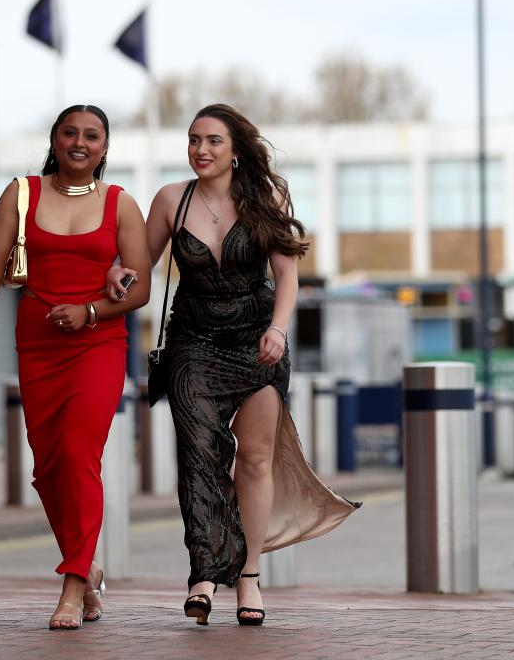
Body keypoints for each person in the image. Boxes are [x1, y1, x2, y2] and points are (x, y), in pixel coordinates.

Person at [107, 104, 358, 626]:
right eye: (194, 140)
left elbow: (287, 276)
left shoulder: (268, 196)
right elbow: (140, 264)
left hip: (257, 341)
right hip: (193, 342)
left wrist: (278, 330)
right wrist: (118, 273)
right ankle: (203, 572)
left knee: (255, 460)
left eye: (213, 141)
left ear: (236, 149)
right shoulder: (171, 201)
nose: (201, 150)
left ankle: (247, 577)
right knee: (200, 455)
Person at [0, 104, 151, 630]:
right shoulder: (20, 194)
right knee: (48, 468)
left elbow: (141, 290)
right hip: (38, 344)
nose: (80, 142)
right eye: (70, 132)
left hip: (98, 343)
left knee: (77, 451)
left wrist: (92, 308)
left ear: (105, 147)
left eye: (92, 135)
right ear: (55, 138)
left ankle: (72, 587)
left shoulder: (121, 204)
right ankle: (88, 566)